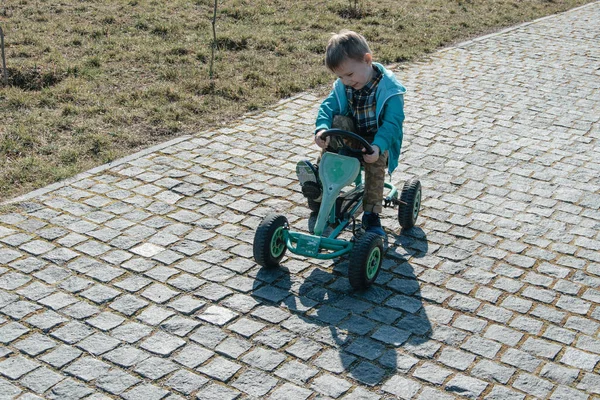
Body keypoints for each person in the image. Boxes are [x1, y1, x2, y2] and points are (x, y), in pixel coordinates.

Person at [297, 30, 406, 236]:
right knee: (335, 124)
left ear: (367, 60)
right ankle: (319, 186)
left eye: (349, 74)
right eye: (340, 76)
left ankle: (371, 214)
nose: (346, 81)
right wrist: (322, 129)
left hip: (376, 144)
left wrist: (378, 146)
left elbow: (392, 125)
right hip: (352, 137)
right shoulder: (344, 87)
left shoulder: (390, 90)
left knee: (376, 160)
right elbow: (328, 106)